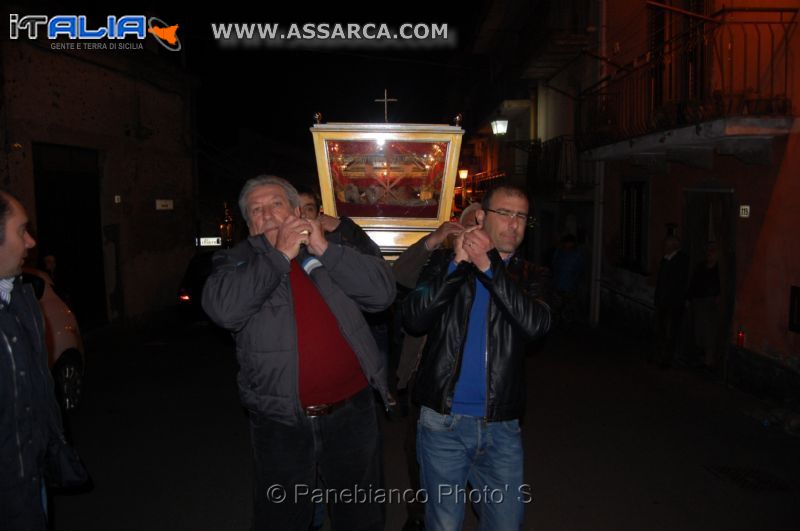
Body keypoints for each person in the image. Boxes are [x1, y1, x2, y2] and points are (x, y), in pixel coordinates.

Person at [201, 176, 395, 531]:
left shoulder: (328, 249)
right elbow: (224, 310)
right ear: (250, 226)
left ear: (295, 211)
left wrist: (325, 248)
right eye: (256, 211)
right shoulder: (237, 260)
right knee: (283, 518)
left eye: (275, 204)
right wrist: (277, 257)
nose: (267, 214)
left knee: (361, 516)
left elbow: (382, 295)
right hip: (281, 420)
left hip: (351, 411)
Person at [403, 184, 551, 530]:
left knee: (505, 524)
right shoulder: (444, 262)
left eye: (521, 216)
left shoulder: (532, 275)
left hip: (501, 427)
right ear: (482, 217)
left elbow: (536, 325)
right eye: (505, 214)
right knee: (443, 524)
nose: (513, 224)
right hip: (442, 423)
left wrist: (488, 266)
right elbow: (414, 317)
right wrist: (457, 265)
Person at [392, 203, 482, 531]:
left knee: (479, 450)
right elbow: (397, 274)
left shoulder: (499, 268)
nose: (475, 230)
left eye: (483, 223)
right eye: (469, 223)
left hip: (479, 381)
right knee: (418, 447)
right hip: (429, 374)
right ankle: (419, 512)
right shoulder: (439, 264)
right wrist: (436, 238)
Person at [0, 190, 86, 530]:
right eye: (22, 231)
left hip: (30, 481)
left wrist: (55, 448)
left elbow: (37, 392)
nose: (31, 242)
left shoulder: (22, 301)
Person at [653, 235, 689, 367]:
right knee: (660, 330)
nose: (664, 247)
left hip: (673, 303)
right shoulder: (665, 260)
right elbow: (660, 282)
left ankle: (667, 359)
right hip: (662, 302)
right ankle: (659, 355)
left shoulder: (681, 260)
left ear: (673, 246)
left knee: (670, 332)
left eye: (666, 245)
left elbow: (678, 284)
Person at [687, 241, 721, 369]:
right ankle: (699, 358)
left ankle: (708, 361)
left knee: (709, 333)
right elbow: (693, 282)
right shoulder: (701, 267)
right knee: (698, 332)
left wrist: (718, 297)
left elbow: (722, 287)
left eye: (712, 250)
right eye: (708, 250)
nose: (709, 253)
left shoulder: (719, 270)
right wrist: (689, 298)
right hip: (698, 301)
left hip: (710, 303)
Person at [551, 233, 585, 327]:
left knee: (568, 307)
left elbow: (580, 269)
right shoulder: (559, 252)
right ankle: (559, 323)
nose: (567, 245)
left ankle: (567, 324)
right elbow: (554, 265)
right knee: (558, 307)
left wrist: (575, 281)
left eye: (569, 243)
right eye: (566, 243)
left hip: (570, 286)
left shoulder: (577, 254)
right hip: (558, 285)